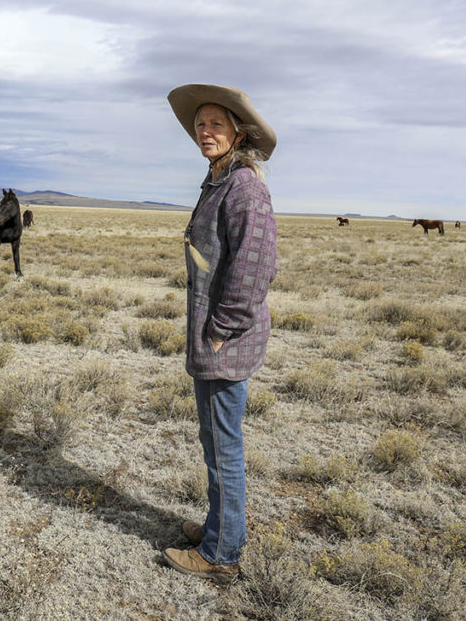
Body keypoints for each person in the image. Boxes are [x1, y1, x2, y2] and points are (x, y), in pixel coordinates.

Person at [162, 84, 278, 582]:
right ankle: (220, 528)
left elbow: (255, 267)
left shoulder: (244, 187)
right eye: (200, 124)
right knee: (215, 440)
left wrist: (221, 330)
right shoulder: (219, 180)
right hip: (213, 334)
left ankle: (221, 555)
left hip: (224, 340)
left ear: (238, 132)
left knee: (223, 445)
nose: (205, 132)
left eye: (216, 124)